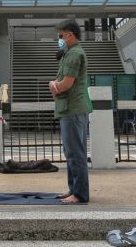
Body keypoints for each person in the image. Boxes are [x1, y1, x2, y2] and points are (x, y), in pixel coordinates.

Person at [48, 19, 92, 204]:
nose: (59, 39)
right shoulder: (70, 53)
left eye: (61, 36)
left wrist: (53, 86)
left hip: (72, 108)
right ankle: (74, 189)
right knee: (72, 152)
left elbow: (66, 84)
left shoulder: (74, 54)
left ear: (70, 35)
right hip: (73, 108)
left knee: (75, 153)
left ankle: (80, 194)